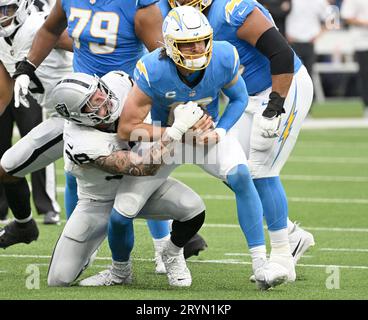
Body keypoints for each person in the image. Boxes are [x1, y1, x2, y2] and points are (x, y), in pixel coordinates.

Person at [82, 6, 292, 290]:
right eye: (187, 44)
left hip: (206, 136)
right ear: (170, 45)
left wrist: (220, 130)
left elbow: (239, 99)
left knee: (242, 175)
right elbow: (127, 128)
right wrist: (175, 130)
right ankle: (120, 271)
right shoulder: (152, 68)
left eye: (202, 40)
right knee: (122, 214)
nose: (197, 48)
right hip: (165, 141)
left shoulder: (224, 55)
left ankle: (260, 263)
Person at [8, 0, 207, 265]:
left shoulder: (138, 5)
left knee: (142, 177)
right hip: (82, 108)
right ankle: (81, 250)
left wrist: (175, 104)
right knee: (75, 174)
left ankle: (163, 246)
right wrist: (26, 67)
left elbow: (163, 57)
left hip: (127, 104)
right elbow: (50, 29)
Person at [163, 0, 315, 271]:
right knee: (231, 166)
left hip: (281, 86)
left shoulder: (232, 10)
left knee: (261, 170)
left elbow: (280, 52)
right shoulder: (180, 16)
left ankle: (282, 255)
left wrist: (275, 105)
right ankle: (291, 233)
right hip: (245, 97)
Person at [47, 70, 206, 287]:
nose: (104, 99)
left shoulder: (118, 83)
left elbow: (158, 97)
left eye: (99, 91)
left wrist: (182, 110)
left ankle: (170, 254)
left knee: (192, 207)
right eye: (92, 103)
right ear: (77, 116)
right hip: (98, 202)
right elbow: (144, 167)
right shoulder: (81, 142)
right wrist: (177, 129)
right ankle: (107, 262)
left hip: (143, 190)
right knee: (59, 279)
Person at [0, 0, 72, 249]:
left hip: (88, 109)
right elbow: (2, 96)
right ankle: (24, 224)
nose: (2, 16)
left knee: (123, 175)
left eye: (7, 9)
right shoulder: (3, 39)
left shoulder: (40, 26)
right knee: (6, 168)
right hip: (57, 117)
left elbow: (87, 49)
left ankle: (176, 235)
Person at [341, 0, 368, 118]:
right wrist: (364, 23)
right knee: (365, 75)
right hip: (362, 42)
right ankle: (367, 105)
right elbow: (346, 16)